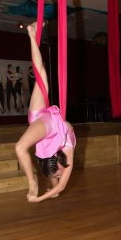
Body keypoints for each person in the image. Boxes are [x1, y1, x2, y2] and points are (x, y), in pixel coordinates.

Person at [15, 22, 76, 203]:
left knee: (19, 147)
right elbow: (60, 187)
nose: (61, 171)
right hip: (50, 124)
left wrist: (40, 195)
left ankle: (32, 181)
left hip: (43, 123)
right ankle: (31, 33)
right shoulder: (67, 152)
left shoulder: (48, 157)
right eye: (59, 172)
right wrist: (48, 195)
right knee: (41, 75)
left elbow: (57, 184)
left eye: (57, 171)